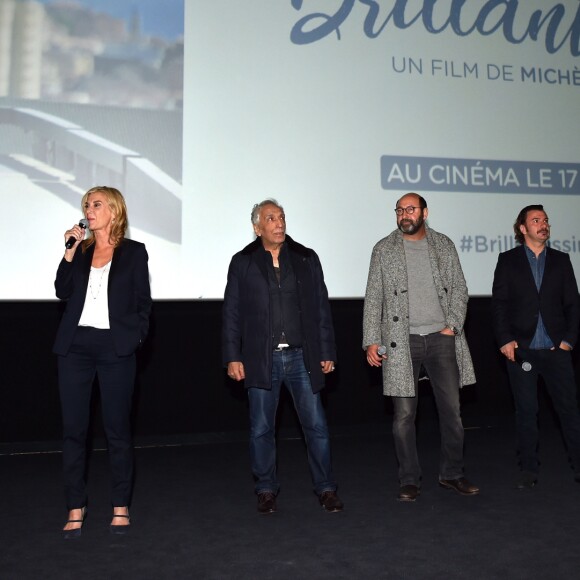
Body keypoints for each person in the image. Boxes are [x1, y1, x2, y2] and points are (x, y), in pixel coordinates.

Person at [222, 199, 343, 514]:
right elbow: (231, 313)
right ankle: (265, 490)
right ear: (257, 226)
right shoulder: (242, 262)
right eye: (271, 218)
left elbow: (321, 307)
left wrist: (327, 350)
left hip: (303, 358)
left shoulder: (306, 257)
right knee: (261, 428)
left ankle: (326, 488)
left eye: (281, 217)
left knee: (316, 425)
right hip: (262, 359)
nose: (278, 223)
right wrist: (233, 356)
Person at [363, 192, 479, 501]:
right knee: (403, 416)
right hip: (401, 342)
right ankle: (409, 479)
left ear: (424, 213)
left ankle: (452, 473)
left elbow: (459, 288)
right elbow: (374, 297)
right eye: (399, 210)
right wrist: (371, 340)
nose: (404, 214)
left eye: (410, 209)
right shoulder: (383, 249)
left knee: (452, 411)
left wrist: (452, 326)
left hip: (441, 339)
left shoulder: (444, 245)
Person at [54, 186, 152, 538]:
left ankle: (120, 505)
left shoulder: (134, 253)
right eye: (86, 205)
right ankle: (75, 506)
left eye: (96, 204)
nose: (89, 209)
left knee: (117, 430)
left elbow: (143, 304)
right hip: (75, 347)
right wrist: (68, 252)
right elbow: (62, 291)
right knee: (74, 431)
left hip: (115, 349)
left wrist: (134, 339)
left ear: (113, 211)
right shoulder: (79, 251)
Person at [492, 204, 580, 489]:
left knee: (569, 410)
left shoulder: (562, 260)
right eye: (536, 220)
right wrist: (505, 339)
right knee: (527, 411)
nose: (543, 224)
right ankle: (528, 468)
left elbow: (573, 305)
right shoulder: (508, 260)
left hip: (557, 350)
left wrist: (568, 341)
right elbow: (499, 305)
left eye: (545, 220)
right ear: (523, 229)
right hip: (523, 350)